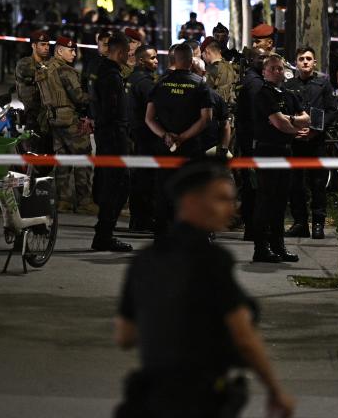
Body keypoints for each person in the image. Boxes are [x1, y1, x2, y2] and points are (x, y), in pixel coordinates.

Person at [114, 159, 296, 418]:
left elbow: (125, 336)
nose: (231, 209)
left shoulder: (145, 259)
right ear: (190, 201)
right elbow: (244, 337)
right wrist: (275, 391)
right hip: (198, 399)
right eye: (221, 199)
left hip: (149, 399)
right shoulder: (212, 260)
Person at [145, 44, 213, 235]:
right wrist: (183, 137)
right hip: (191, 147)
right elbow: (206, 119)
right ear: (192, 61)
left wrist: (165, 135)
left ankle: (161, 236)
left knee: (163, 191)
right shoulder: (200, 84)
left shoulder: (160, 83)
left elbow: (148, 118)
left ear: (173, 60)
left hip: (165, 147)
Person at [252, 54, 310, 263]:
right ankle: (262, 248)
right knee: (266, 200)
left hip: (285, 151)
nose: (277, 71)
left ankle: (278, 246)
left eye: (280, 68)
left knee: (280, 201)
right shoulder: (263, 94)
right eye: (273, 68)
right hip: (268, 151)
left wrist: (292, 120)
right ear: (264, 71)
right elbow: (278, 122)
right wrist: (294, 129)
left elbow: (306, 118)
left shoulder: (287, 94)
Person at [283, 46, 338, 239]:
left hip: (317, 143)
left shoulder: (323, 84)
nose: (305, 62)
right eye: (301, 59)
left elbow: (332, 111)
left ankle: (318, 224)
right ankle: (300, 223)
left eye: (309, 58)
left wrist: (315, 131)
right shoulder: (288, 86)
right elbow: (283, 113)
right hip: (295, 142)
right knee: (295, 185)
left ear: (314, 62)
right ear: (296, 62)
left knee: (318, 185)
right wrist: (294, 129)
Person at [38, 36, 97, 214]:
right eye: (70, 50)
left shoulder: (45, 67)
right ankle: (84, 202)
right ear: (59, 51)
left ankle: (63, 201)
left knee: (62, 160)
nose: (74, 53)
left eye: (74, 50)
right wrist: (95, 98)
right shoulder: (65, 70)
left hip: (53, 118)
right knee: (82, 159)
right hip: (69, 118)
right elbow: (79, 97)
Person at [89, 31, 135, 252]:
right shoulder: (111, 76)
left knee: (113, 184)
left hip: (109, 135)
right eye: (127, 52)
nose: (129, 56)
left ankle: (104, 232)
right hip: (113, 137)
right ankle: (104, 234)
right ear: (120, 52)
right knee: (117, 184)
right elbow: (110, 109)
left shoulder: (103, 70)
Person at [233, 48, 266, 241]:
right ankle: (252, 227)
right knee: (254, 186)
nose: (263, 60)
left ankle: (251, 226)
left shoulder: (253, 80)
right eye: (260, 57)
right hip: (253, 143)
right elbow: (256, 115)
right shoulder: (255, 84)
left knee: (251, 185)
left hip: (249, 141)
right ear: (251, 60)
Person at [126, 45, 159, 232]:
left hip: (136, 132)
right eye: (152, 58)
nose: (156, 60)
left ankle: (138, 219)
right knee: (146, 179)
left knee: (139, 177)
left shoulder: (133, 78)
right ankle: (144, 220)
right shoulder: (145, 83)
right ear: (141, 60)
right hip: (145, 134)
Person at [201, 37, 237, 106]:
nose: (203, 59)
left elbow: (205, 95)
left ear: (207, 51)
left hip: (217, 111)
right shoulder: (232, 66)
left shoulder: (210, 70)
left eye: (203, 56)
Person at [82, 29, 111, 97]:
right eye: (105, 45)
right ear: (98, 45)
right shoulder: (91, 62)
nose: (107, 48)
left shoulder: (115, 62)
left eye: (109, 45)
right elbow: (85, 81)